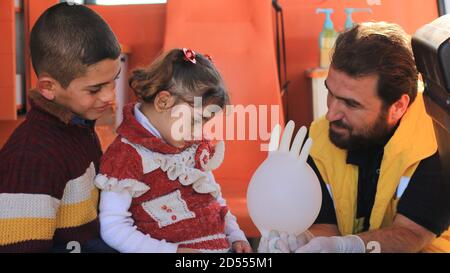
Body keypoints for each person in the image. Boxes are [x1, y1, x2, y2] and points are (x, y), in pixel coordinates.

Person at [260, 22, 450, 253]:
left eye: (351, 103)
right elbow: (325, 227)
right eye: (331, 93)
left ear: (398, 106)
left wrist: (347, 246)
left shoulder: (437, 143)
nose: (331, 114)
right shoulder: (317, 141)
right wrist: (302, 240)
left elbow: (411, 235)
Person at [95, 48, 252, 253]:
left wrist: (235, 237)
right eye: (194, 121)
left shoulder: (191, 147)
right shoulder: (126, 157)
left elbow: (214, 199)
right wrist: (172, 252)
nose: (198, 132)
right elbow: (113, 227)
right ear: (163, 101)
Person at [0, 3, 121, 252]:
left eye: (114, 80)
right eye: (95, 89)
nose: (110, 96)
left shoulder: (78, 127)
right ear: (48, 87)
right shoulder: (32, 156)